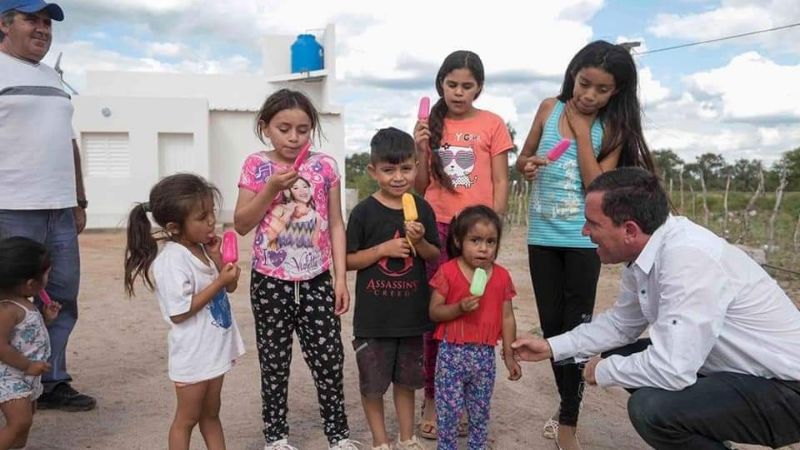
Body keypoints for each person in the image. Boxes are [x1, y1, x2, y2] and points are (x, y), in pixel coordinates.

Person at [512, 167, 800, 450]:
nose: (584, 230)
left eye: (592, 223)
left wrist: (603, 370)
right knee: (624, 355)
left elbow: (672, 369)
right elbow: (621, 325)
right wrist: (551, 346)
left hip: (787, 388)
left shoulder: (687, 259)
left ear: (629, 230)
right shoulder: (646, 253)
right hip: (742, 372)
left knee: (651, 410)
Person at [513, 40, 657, 449]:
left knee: (577, 329)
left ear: (616, 93)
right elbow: (523, 159)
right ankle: (565, 402)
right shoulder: (547, 108)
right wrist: (527, 166)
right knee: (553, 327)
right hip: (541, 237)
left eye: (602, 89)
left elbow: (596, 184)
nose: (589, 95)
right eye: (584, 83)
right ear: (572, 75)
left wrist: (579, 132)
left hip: (582, 239)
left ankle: (568, 425)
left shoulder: (610, 128)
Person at [234, 88, 356, 450]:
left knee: (330, 360)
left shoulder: (324, 167)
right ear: (265, 127)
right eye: (283, 128)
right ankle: (276, 438)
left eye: (302, 129)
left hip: (317, 278)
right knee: (274, 361)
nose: (293, 137)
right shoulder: (257, 165)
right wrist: (271, 187)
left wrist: (339, 278)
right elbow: (242, 223)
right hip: (271, 281)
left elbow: (335, 223)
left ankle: (339, 436)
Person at [412, 50, 514, 439]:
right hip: (437, 227)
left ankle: (469, 400)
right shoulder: (428, 125)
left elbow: (501, 181)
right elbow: (420, 187)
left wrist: (494, 226)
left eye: (467, 85)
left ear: (480, 88)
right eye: (451, 84)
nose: (458, 92)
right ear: (440, 83)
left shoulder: (493, 124)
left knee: (476, 311)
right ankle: (434, 399)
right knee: (438, 314)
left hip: (477, 230)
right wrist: (420, 149)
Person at [0, 0, 95, 411]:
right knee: (8, 301)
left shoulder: (53, 79)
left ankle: (50, 379)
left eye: (46, 22)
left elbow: (68, 142)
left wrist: (78, 198)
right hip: (10, 205)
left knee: (60, 297)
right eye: (31, 20)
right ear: (4, 24)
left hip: (59, 208)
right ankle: (8, 383)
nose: (42, 29)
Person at [124, 174, 245, 450]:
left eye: (212, 212)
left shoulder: (202, 249)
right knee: (187, 419)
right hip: (193, 355)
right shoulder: (172, 261)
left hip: (214, 349)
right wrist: (219, 282)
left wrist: (218, 262)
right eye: (202, 217)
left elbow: (230, 288)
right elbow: (179, 313)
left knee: (212, 415)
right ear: (174, 227)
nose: (212, 221)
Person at [346, 127, 440, 450]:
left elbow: (434, 255)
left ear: (416, 165)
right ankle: (380, 441)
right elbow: (347, 260)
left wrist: (420, 241)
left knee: (406, 382)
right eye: (388, 170)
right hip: (374, 320)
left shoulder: (422, 207)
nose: (398, 177)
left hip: (412, 316)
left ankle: (407, 438)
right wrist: (383, 250)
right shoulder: (363, 213)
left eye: (406, 168)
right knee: (373, 385)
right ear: (373, 171)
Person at [429, 205, 521, 450]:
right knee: (448, 412)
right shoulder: (447, 272)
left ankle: (477, 446)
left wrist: (509, 355)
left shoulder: (501, 276)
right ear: (459, 241)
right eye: (476, 240)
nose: (484, 248)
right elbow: (434, 311)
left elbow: (507, 317)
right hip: (451, 353)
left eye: (491, 241)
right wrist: (458, 308)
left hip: (484, 356)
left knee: (480, 412)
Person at [0, 237, 61, 450]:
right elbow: (1, 346)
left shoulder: (24, 302)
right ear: (30, 284)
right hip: (10, 375)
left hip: (28, 375)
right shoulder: (7, 310)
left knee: (25, 423)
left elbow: (24, 335)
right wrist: (27, 366)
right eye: (46, 274)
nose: (48, 278)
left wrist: (46, 319)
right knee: (20, 422)